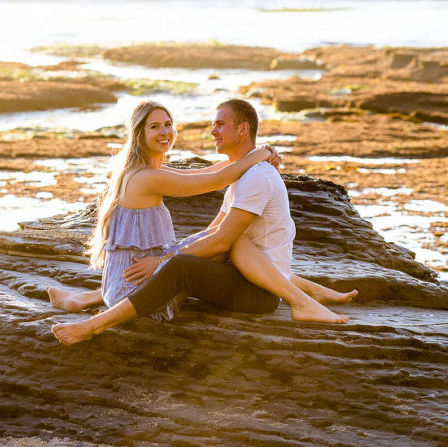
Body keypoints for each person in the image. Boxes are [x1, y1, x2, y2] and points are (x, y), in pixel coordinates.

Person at [52, 99, 355, 345]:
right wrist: (260, 153)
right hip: (134, 287)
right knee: (216, 244)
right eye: (154, 126)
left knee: (210, 240)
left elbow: (215, 179)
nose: (165, 131)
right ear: (139, 134)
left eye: (168, 124)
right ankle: (94, 323)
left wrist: (254, 157)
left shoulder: (153, 171)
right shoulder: (149, 177)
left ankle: (86, 299)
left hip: (130, 279)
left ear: (243, 128)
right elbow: (213, 179)